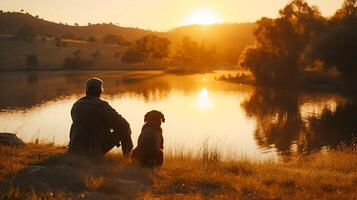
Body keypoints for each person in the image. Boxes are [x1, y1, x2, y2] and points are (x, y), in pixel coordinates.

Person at [68, 77, 133, 157]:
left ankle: (76, 151)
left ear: (86, 91)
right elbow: (123, 124)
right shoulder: (102, 106)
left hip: (74, 149)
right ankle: (128, 158)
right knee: (125, 127)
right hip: (92, 151)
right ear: (100, 91)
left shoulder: (76, 105)